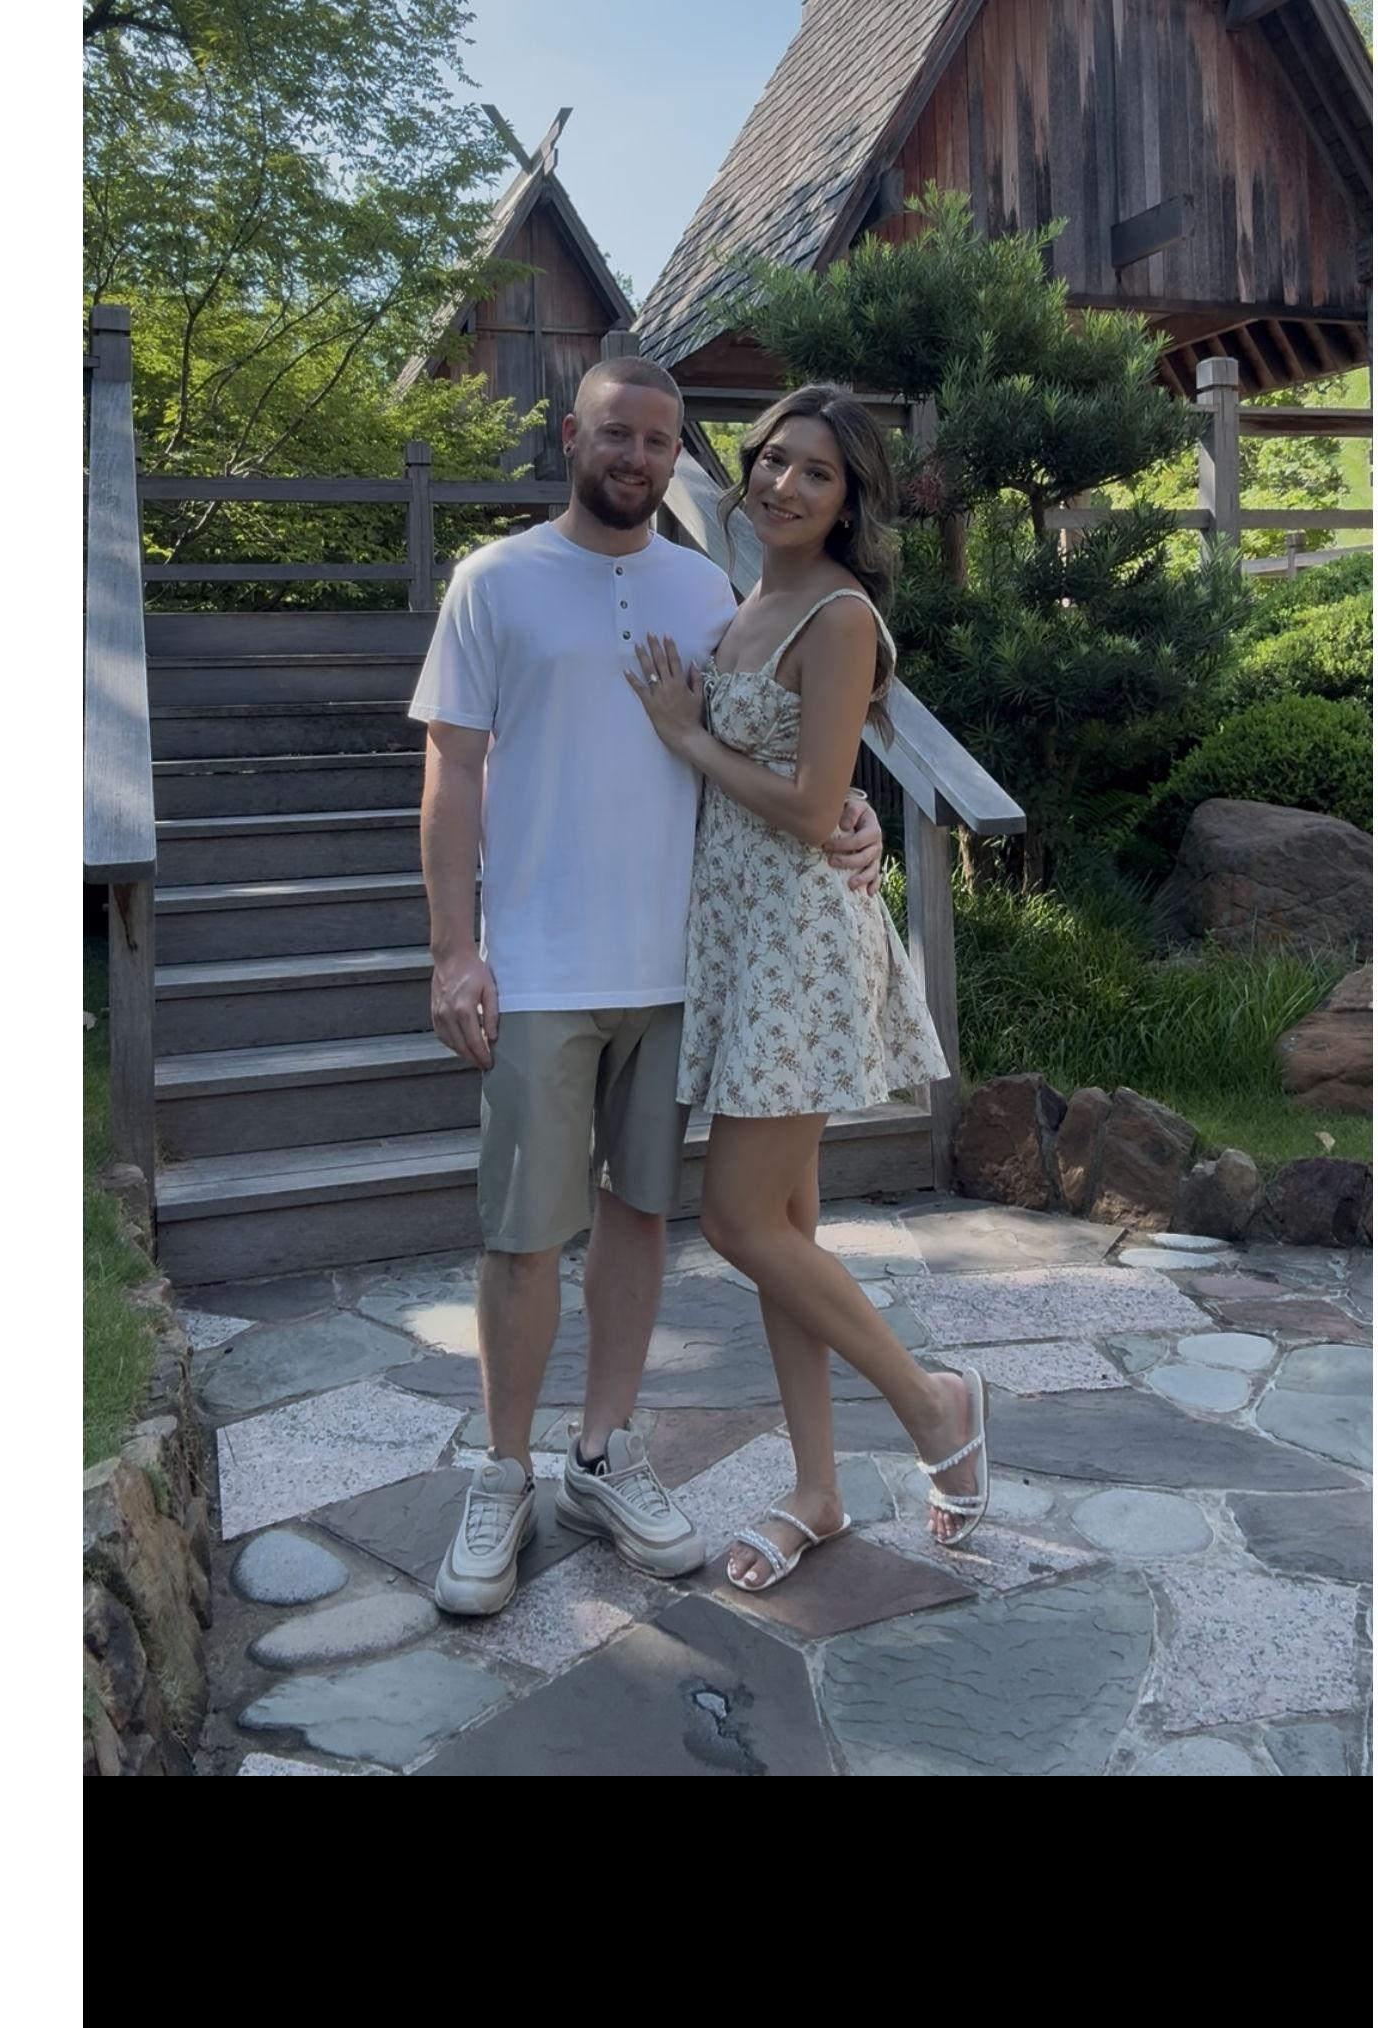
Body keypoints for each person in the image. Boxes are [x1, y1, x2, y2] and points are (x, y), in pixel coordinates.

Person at [407, 356, 885, 1616]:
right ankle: (503, 1472)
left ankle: (603, 1454)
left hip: (681, 969)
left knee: (637, 1220)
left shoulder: (708, 589)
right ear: (572, 437)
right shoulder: (493, 580)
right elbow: (451, 772)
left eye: (659, 442)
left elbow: (778, 732)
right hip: (538, 965)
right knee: (522, 1235)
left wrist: (856, 815)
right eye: (616, 434)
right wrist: (454, 950)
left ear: (680, 460)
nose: (636, 457)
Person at [622, 382, 989, 1590]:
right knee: (786, 1233)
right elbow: (808, 792)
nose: (783, 483)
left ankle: (933, 1405)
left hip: (797, 945)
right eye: (774, 459)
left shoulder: (837, 615)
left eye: (815, 472)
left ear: (848, 502)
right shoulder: (746, 603)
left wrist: (687, 738)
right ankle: (819, 1493)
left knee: (737, 1222)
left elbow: (813, 800)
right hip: (741, 936)